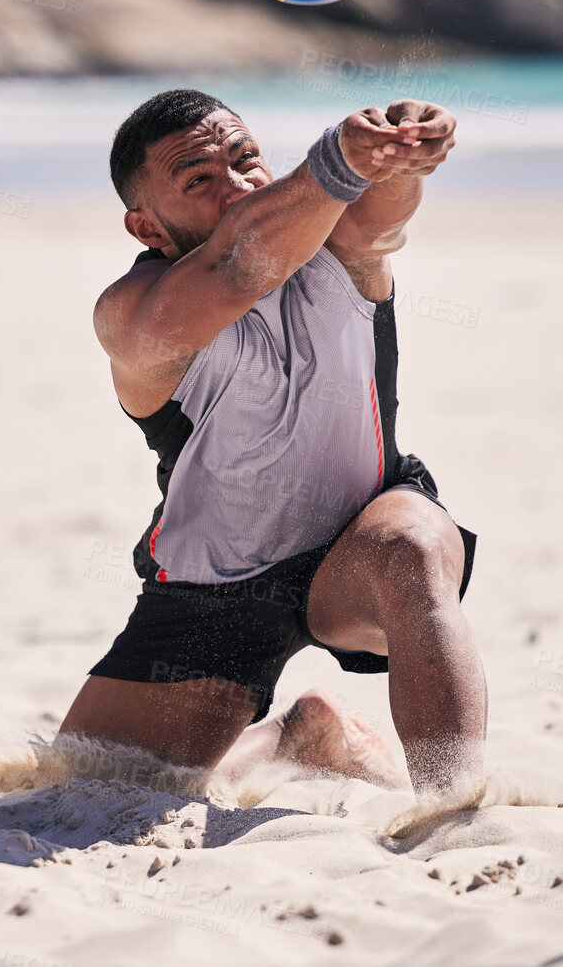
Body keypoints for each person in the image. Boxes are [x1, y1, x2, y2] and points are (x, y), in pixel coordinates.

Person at [57, 88, 484, 797]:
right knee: (85, 787)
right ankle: (300, 734)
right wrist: (338, 165)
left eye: (246, 160)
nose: (237, 186)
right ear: (147, 228)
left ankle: (457, 803)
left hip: (357, 544)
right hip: (216, 583)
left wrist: (401, 148)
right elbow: (235, 265)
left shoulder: (337, 241)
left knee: (408, 546)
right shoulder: (132, 314)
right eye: (199, 181)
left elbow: (379, 212)